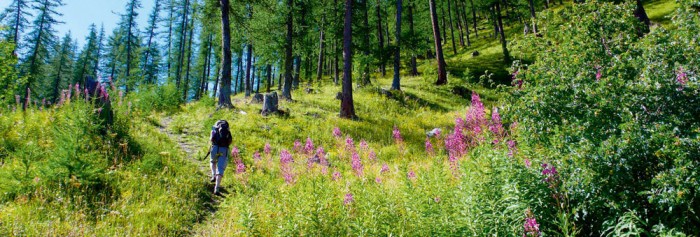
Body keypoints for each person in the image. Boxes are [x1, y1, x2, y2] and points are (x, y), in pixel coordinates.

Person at [210, 120, 232, 195]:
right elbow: (230, 141)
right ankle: (217, 188)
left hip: (215, 148)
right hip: (224, 150)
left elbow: (211, 139)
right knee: (220, 168)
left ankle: (213, 175)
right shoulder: (227, 130)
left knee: (213, 162)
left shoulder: (214, 129)